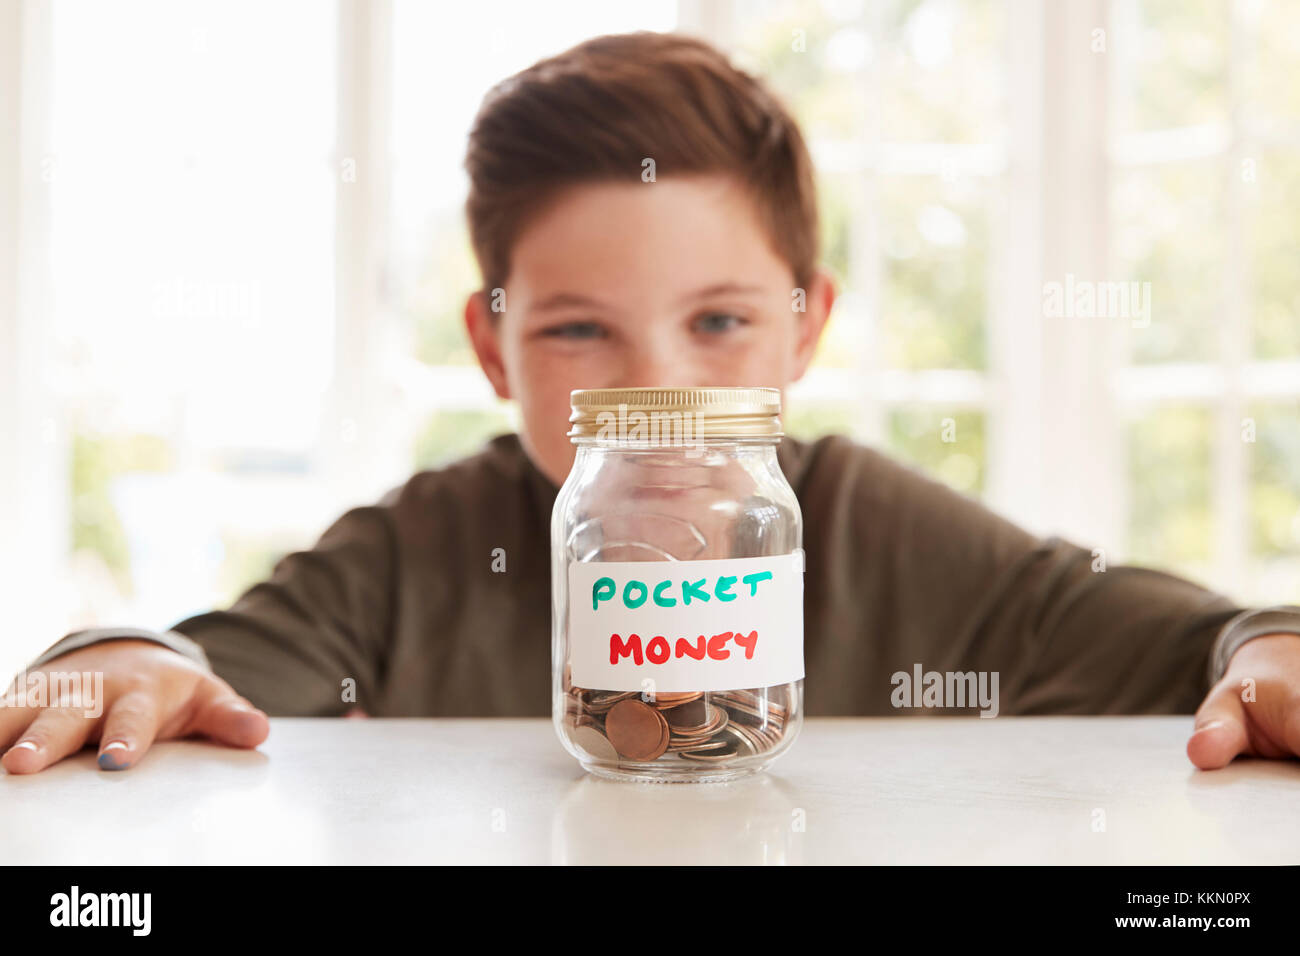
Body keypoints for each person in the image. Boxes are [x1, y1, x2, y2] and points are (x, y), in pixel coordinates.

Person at [5, 32, 1298, 777]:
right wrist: (114, 657)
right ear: (495, 348)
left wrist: (1264, 649)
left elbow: (1194, 638)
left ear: (807, 330)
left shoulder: (869, 528)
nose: (660, 396)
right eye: (579, 331)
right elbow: (203, 669)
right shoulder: (422, 552)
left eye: (722, 322)